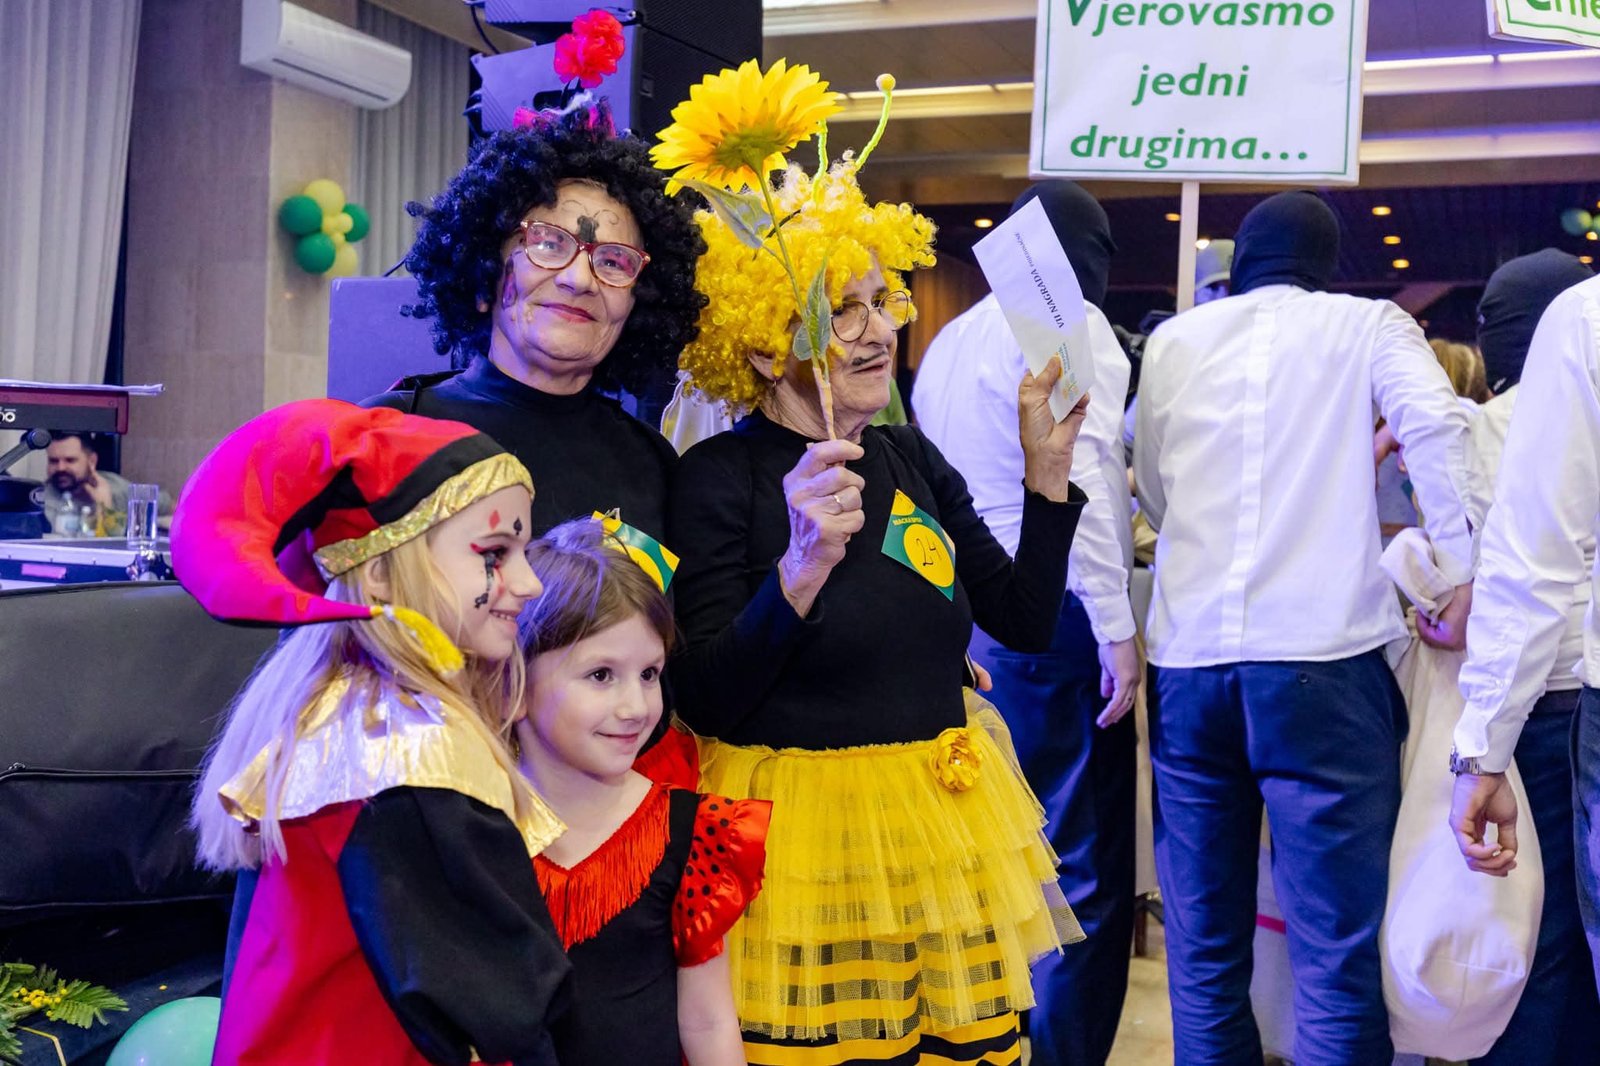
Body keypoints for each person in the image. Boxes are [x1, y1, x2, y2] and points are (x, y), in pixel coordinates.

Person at [655, 65, 1091, 1063]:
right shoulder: (719, 480)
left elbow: (1023, 622)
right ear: (762, 346)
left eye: (879, 301)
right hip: (797, 847)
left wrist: (1046, 477)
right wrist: (802, 564)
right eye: (839, 311)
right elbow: (707, 694)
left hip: (940, 827)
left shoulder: (907, 457)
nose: (877, 330)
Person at [1132, 190, 1478, 1066]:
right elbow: (1438, 426)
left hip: (1191, 666)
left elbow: (1155, 487)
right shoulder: (1366, 325)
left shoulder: (1175, 341)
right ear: (1327, 267)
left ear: (1241, 261)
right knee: (1334, 960)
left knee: (1203, 959)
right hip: (1324, 665)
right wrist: (1460, 569)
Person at [175, 399, 571, 1066]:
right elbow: (503, 1006)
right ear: (381, 571)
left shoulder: (343, 711)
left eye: (523, 552)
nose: (529, 582)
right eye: (495, 553)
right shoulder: (407, 748)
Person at [914, 180, 1137, 1066]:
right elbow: (1085, 481)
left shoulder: (950, 338)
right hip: (1054, 617)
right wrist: (1117, 627)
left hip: (964, 624)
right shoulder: (1066, 325)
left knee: (987, 862)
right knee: (1077, 865)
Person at [367, 100, 707, 544]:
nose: (578, 279)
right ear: (485, 267)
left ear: (639, 301)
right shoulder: (386, 434)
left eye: (614, 261)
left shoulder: (654, 465)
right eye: (548, 243)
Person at [514, 518, 769, 1065]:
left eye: (649, 674)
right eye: (601, 675)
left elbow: (708, 1021)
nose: (636, 707)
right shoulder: (473, 826)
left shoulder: (692, 834)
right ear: (515, 679)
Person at [1449, 251, 1598, 1063]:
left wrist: (1481, 747)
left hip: (1549, 692)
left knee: (1539, 933)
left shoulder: (1582, 329)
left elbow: (1525, 562)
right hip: (1571, 683)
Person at [43, 431, 172, 536]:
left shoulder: (116, 486)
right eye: (53, 461)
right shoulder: (41, 501)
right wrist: (103, 507)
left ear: (92, 461)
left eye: (70, 460)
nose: (60, 468)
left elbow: (173, 507)